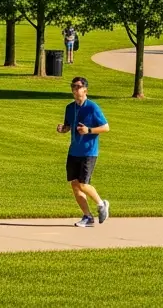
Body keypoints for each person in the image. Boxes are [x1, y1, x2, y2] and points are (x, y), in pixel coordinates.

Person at [56, 76, 110, 227]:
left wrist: (89, 130)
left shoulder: (92, 107)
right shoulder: (69, 108)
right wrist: (63, 129)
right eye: (73, 86)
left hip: (88, 152)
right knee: (75, 184)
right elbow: (68, 126)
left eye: (78, 86)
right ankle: (87, 216)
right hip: (74, 151)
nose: (74, 89)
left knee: (83, 184)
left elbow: (106, 127)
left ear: (85, 89)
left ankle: (101, 205)